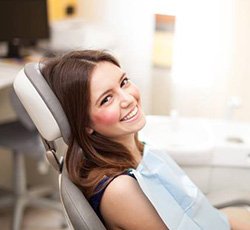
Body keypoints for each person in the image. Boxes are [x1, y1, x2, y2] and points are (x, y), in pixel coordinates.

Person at [40, 50, 250, 230]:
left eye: (123, 82)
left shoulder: (137, 150)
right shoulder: (119, 190)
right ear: (84, 123)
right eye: (106, 99)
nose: (128, 99)